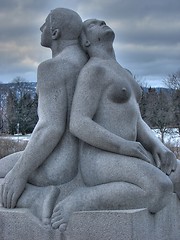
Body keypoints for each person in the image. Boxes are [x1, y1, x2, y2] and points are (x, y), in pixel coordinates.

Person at [51, 19, 180, 231]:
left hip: (133, 155)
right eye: (93, 25)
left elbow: (136, 120)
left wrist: (159, 147)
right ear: (85, 42)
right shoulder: (94, 71)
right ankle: (83, 199)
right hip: (101, 159)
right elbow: (78, 123)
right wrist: (122, 145)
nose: (101, 22)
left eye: (101, 21)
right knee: (160, 187)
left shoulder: (125, 73)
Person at [0, 8, 87, 211]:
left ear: (55, 33)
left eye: (46, 24)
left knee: (8, 178)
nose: (41, 28)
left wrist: (20, 173)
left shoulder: (53, 67)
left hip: (58, 164)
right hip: (83, 161)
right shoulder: (87, 62)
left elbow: (50, 127)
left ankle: (37, 199)